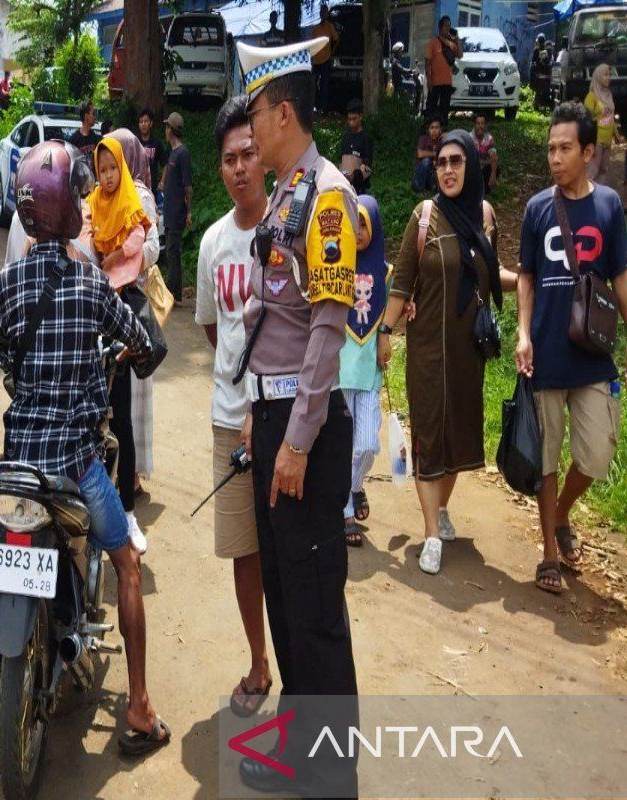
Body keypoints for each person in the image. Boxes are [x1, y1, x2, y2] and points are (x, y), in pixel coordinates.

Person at [0, 139, 168, 757]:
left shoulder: (6, 284)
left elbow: (8, 368)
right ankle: (141, 708)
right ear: (65, 206)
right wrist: (136, 351)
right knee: (127, 563)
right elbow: (142, 341)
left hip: (15, 465)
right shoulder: (93, 287)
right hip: (75, 464)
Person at [234, 37, 358, 797]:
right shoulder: (285, 192)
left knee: (314, 610)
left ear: (283, 114)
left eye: (256, 114)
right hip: (273, 420)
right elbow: (271, 322)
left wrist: (300, 440)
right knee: (284, 593)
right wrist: (259, 414)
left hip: (306, 435)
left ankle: (330, 776)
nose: (249, 130)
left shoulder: (327, 197)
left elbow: (326, 326)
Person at [379, 130, 517, 575]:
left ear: (472, 166)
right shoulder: (425, 217)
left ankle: (441, 509)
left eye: (457, 161)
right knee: (428, 436)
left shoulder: (486, 217)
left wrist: (530, 278)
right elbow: (401, 282)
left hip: (467, 354)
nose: (449, 170)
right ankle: (430, 533)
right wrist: (385, 331)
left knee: (458, 435)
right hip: (425, 351)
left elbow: (492, 273)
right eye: (441, 162)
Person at [515, 102, 627, 594]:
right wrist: (523, 334)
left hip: (593, 355)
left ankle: (563, 511)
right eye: (550, 148)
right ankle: (548, 553)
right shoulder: (538, 208)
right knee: (545, 458)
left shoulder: (608, 206)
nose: (555, 158)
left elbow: (622, 277)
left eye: (565, 148)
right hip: (546, 353)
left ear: (589, 152)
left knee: (595, 454)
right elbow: (526, 276)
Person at [194, 95, 273, 716]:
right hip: (230, 421)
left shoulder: (288, 230)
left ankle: (298, 665)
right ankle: (258, 661)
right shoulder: (214, 243)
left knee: (286, 552)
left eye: (250, 153)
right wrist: (238, 389)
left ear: (265, 156)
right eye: (230, 158)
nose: (241, 166)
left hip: (282, 419)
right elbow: (212, 328)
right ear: (219, 168)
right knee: (244, 551)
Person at [87, 134, 154, 553]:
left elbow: (141, 245)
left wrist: (113, 260)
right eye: (103, 169)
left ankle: (127, 510)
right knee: (93, 416)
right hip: (94, 314)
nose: (109, 176)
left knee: (123, 416)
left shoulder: (133, 201)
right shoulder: (89, 204)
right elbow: (85, 242)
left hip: (122, 314)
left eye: (114, 168)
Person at [339, 197, 390, 547]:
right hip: (340, 373)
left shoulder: (386, 273)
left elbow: (395, 308)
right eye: (352, 224)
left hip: (370, 374)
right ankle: (343, 509)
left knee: (368, 445)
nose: (357, 232)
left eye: (363, 225)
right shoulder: (336, 265)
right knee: (344, 446)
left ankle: (355, 487)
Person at [161, 111, 192, 304]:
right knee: (171, 252)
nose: (165, 131)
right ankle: (173, 291)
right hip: (169, 211)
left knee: (174, 251)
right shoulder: (173, 153)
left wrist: (189, 211)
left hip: (178, 212)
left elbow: (187, 185)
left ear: (171, 130)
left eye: (166, 127)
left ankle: (175, 295)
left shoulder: (183, 153)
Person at [585, 64, 618, 184]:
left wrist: (616, 134)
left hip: (608, 141)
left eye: (609, 75)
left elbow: (611, 117)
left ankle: (599, 198)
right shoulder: (591, 96)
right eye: (605, 75)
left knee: (604, 170)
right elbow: (587, 119)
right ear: (598, 76)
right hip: (597, 141)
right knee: (592, 171)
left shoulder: (609, 95)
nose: (608, 77)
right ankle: (587, 198)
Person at [425, 16, 461, 126]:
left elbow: (460, 55)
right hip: (435, 83)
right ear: (440, 27)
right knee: (431, 108)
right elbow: (427, 63)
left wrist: (458, 41)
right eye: (446, 26)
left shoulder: (451, 44)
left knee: (444, 109)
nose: (448, 28)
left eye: (449, 26)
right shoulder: (433, 43)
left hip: (447, 83)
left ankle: (443, 129)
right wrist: (429, 80)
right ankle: (428, 129)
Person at [340, 99, 373, 194]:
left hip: (360, 187)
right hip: (345, 184)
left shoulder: (366, 138)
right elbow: (342, 160)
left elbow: (368, 164)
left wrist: (355, 175)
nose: (351, 122)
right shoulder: (346, 137)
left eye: (354, 119)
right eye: (349, 119)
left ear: (361, 117)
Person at [310, 5, 340, 111]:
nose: (323, 14)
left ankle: (323, 107)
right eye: (321, 12)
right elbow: (312, 44)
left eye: (325, 12)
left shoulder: (330, 27)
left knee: (325, 85)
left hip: (326, 59)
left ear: (327, 14)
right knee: (313, 84)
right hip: (316, 60)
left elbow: (336, 39)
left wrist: (332, 53)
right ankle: (314, 105)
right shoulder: (315, 29)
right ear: (320, 14)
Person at [137, 108, 169, 198]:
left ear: (151, 123)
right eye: (141, 122)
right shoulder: (135, 142)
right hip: (137, 187)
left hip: (152, 188)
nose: (143, 124)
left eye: (146, 121)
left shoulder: (157, 143)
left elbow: (165, 164)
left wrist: (162, 182)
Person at [412, 117, 443, 193]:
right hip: (420, 174)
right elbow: (420, 154)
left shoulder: (442, 141)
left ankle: (434, 189)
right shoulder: (423, 139)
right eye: (432, 128)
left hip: (433, 175)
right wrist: (436, 154)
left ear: (440, 130)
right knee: (426, 161)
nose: (434, 131)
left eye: (437, 128)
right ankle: (419, 190)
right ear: (428, 130)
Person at [68, 101, 102, 166]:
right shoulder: (74, 139)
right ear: (86, 116)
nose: (95, 117)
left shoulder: (94, 137)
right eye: (93, 114)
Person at [472, 113, 499, 193]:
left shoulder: (489, 138)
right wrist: (486, 161)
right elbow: (471, 159)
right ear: (474, 125)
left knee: (495, 168)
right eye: (478, 123)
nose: (480, 126)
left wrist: (493, 174)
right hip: (473, 168)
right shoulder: (469, 138)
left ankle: (486, 187)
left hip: (483, 167)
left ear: (485, 125)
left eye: (482, 123)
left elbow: (493, 156)